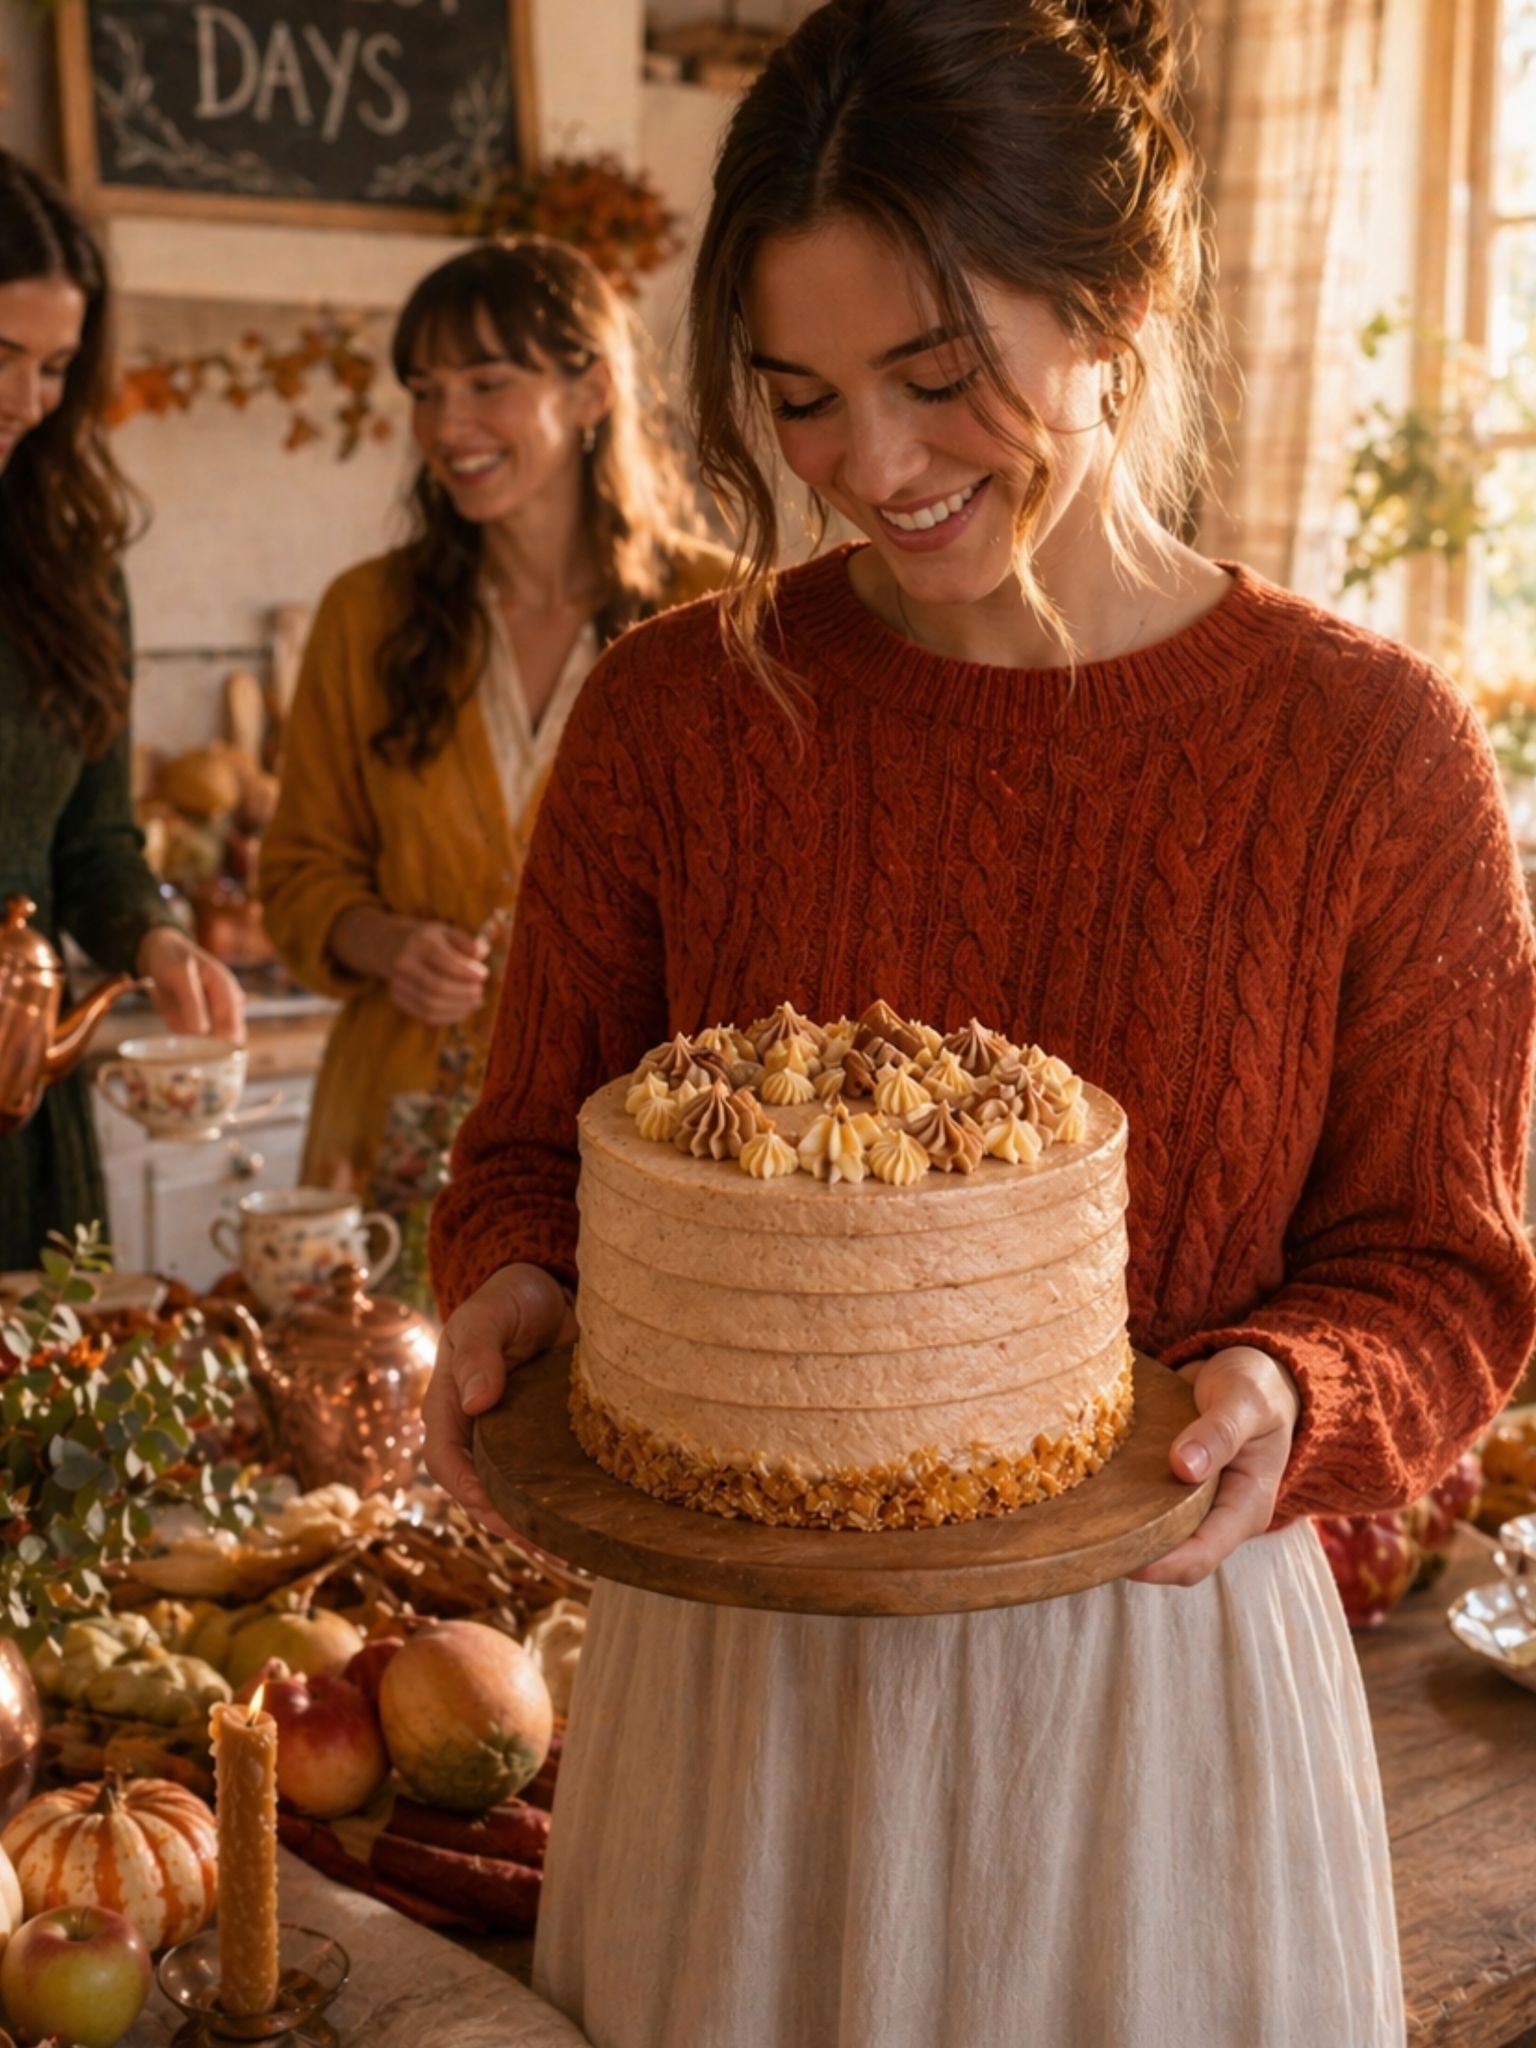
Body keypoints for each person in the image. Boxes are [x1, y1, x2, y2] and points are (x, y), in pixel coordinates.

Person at [422, 4, 1536, 2042]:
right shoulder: (673, 718)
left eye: (939, 378)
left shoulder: (1370, 754)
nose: (874, 467)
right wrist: (510, 1280)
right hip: (735, 1694)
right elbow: (527, 1156)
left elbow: (1442, 1277)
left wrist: (1284, 1389)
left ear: (1117, 304)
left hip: (1154, 1705)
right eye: (803, 400)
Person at [260, 237, 732, 1197]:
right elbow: (298, 872)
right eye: (425, 391)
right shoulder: (364, 615)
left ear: (592, 391)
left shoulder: (717, 612)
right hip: (399, 1123)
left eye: (487, 383)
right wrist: (386, 943)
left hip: (636, 1126)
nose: (447, 423)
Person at [0, 151, 243, 1273]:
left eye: (55, 367)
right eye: (2, 355)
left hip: (23, 1109)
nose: (28, 403)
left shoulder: (70, 565)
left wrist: (155, 937)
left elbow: (92, 843)